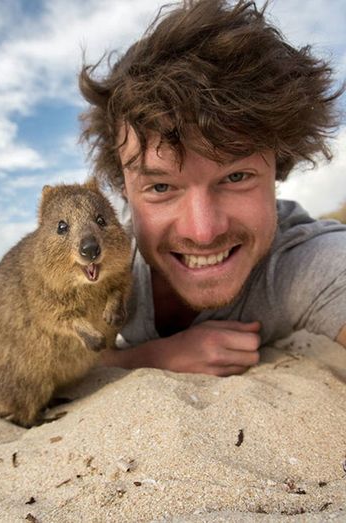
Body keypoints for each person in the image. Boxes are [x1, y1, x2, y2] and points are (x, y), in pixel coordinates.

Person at [78, 0, 346, 376]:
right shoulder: (101, 266)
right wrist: (150, 357)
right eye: (160, 186)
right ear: (123, 187)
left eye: (235, 177)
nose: (203, 232)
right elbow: (28, 354)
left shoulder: (305, 264)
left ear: (279, 166)